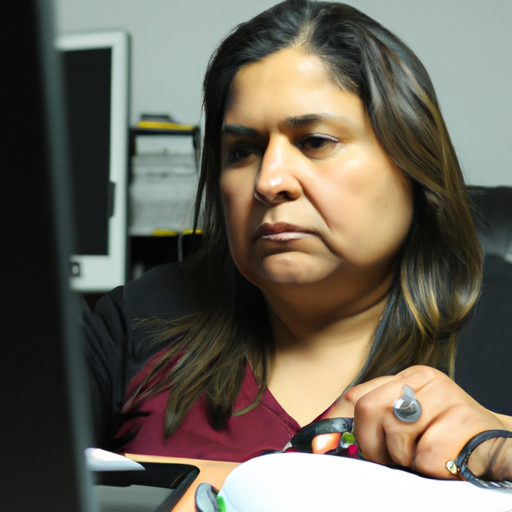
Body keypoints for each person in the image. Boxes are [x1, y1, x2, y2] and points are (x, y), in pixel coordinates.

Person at [84, 0, 512, 487]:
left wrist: (500, 449)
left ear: (412, 159)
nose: (268, 182)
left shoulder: (505, 315)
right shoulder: (140, 318)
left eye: (315, 142)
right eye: (242, 151)